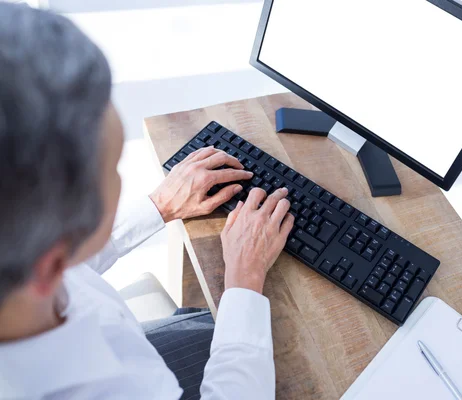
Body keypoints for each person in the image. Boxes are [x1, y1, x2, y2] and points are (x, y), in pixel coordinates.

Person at [0, 4, 293, 399]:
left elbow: (72, 265)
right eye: (113, 170)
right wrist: (244, 276)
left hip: (121, 334)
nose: (121, 178)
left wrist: (160, 205)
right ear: (52, 261)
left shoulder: (19, 261)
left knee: (209, 321)